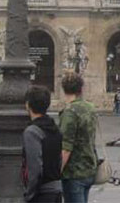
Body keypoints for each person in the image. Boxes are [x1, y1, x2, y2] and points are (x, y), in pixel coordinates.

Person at [58, 71, 98, 203]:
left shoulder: (70, 112)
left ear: (64, 89)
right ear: (81, 88)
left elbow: (66, 147)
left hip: (74, 171)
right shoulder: (90, 108)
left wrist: (57, 171)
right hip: (89, 167)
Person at [22, 84, 63, 203]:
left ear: (28, 105)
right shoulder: (55, 129)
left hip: (42, 193)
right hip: (56, 191)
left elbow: (35, 168)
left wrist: (29, 195)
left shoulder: (32, 132)